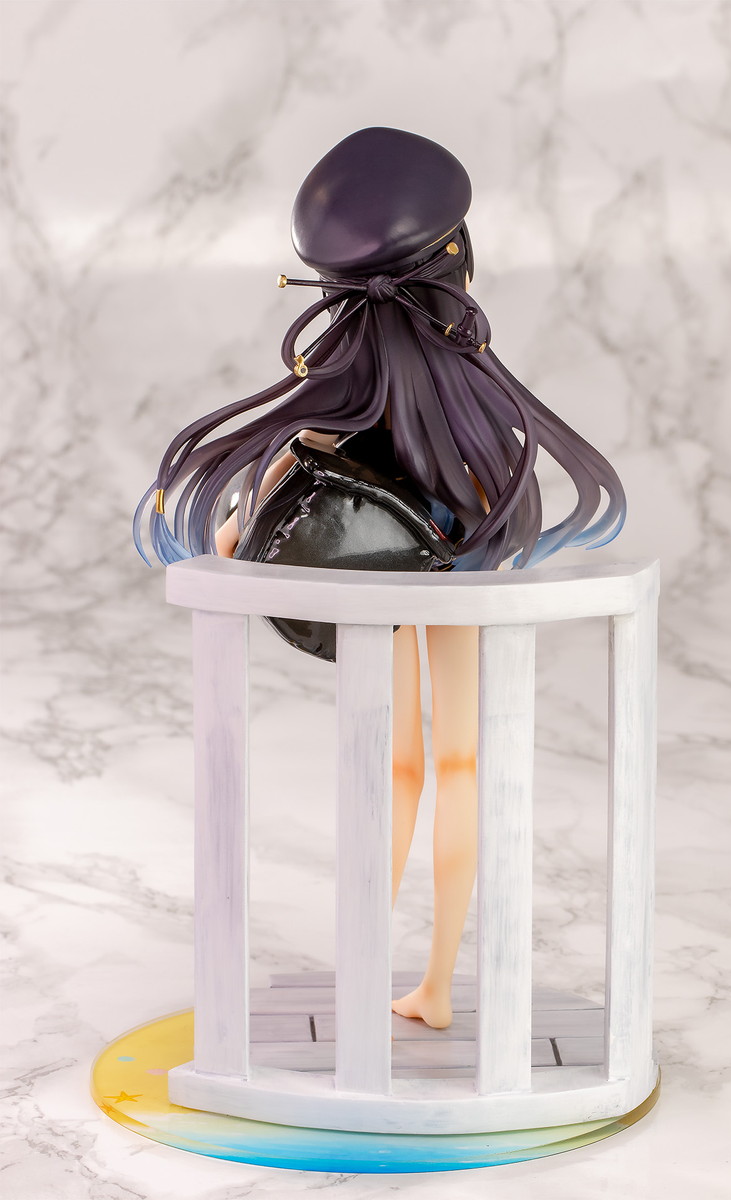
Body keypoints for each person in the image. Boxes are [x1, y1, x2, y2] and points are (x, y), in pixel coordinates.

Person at [134, 127, 626, 1029]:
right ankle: (431, 985)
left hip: (387, 590)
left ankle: (375, 974)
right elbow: (498, 514)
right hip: (449, 578)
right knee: (455, 761)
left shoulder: (329, 417)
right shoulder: (475, 419)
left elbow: (241, 536)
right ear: (453, 272)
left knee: (398, 766)